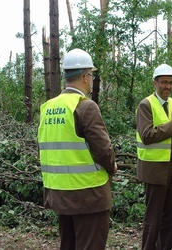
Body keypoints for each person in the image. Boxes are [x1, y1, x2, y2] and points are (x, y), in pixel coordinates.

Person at [37, 48, 117, 250]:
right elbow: (103, 151)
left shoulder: (48, 107)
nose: (91, 80)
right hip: (88, 196)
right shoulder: (85, 107)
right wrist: (113, 167)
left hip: (60, 194)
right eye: (91, 75)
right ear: (84, 76)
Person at [136, 64, 172, 250]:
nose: (168, 87)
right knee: (153, 217)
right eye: (164, 82)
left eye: (171, 83)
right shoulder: (145, 104)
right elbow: (147, 135)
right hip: (154, 168)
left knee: (171, 217)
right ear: (155, 83)